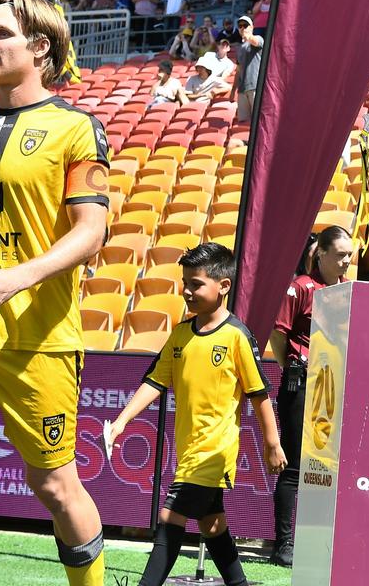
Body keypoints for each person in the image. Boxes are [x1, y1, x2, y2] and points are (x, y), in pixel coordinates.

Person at [0, 0, 110, 584]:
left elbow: (92, 232)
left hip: (37, 336)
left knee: (55, 487)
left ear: (40, 46)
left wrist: (19, 276)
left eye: (1, 33)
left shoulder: (76, 129)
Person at [108, 244, 286, 586]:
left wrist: (272, 444)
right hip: (189, 451)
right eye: (184, 282)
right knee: (212, 524)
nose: (187, 291)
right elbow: (155, 381)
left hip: (214, 452)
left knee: (170, 515)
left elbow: (259, 395)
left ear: (224, 286)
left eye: (196, 284)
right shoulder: (179, 334)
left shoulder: (236, 336)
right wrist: (121, 421)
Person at [269, 226, 353, 567]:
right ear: (321, 254)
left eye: (350, 255)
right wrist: (291, 367)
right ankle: (284, 545)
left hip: (332, 385)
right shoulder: (302, 287)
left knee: (325, 466)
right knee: (295, 467)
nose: (346, 261)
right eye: (340, 255)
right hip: (301, 384)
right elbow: (278, 335)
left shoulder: (347, 290)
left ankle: (317, 541)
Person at [236, 15, 264, 123]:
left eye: (245, 25)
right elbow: (238, 70)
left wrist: (248, 37)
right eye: (240, 26)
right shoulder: (240, 47)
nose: (242, 28)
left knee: (258, 121)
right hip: (242, 90)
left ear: (252, 27)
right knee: (243, 123)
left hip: (255, 86)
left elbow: (256, 41)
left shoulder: (258, 38)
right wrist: (234, 90)